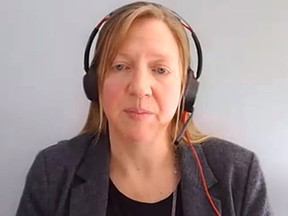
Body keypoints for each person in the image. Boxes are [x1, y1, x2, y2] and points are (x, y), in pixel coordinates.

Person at [16, 2, 272, 216]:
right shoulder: (53, 173)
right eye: (120, 66)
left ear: (186, 88)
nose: (140, 88)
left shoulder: (238, 174)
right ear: (95, 84)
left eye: (160, 70)